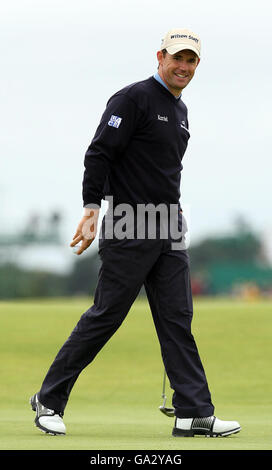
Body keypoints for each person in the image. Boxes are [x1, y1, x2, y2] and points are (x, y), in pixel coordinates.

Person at [30, 28, 241, 438]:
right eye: (177, 58)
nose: (183, 67)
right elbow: (100, 153)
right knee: (107, 315)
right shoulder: (133, 98)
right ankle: (49, 399)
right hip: (130, 220)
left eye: (191, 60)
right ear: (160, 56)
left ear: (198, 64)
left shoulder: (180, 110)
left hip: (170, 223)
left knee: (177, 318)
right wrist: (92, 208)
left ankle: (193, 412)